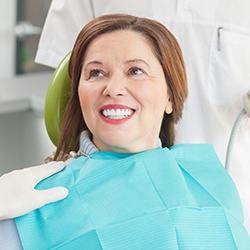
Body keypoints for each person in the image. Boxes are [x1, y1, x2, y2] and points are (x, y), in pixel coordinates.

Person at [1, 14, 250, 249]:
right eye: (96, 73)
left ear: (170, 97)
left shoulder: (210, 184)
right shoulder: (30, 202)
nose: (114, 88)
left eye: (136, 71)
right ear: (78, 94)